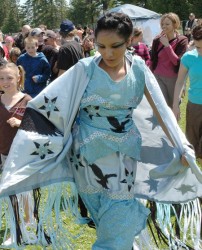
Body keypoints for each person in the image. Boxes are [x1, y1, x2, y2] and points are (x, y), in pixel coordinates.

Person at [0, 12, 201, 250]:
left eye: (115, 46)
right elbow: (46, 104)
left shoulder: (138, 69)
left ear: (129, 42)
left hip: (124, 155)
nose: (108, 53)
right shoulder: (85, 69)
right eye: (101, 46)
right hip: (86, 158)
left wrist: (182, 145)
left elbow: (161, 111)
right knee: (104, 218)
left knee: (119, 213)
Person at [173, 24, 202, 165]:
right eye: (198, 47)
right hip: (194, 106)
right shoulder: (188, 57)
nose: (201, 51)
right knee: (192, 146)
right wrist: (175, 105)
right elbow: (179, 82)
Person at [150, 12, 188, 108]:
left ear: (175, 25)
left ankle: (174, 123)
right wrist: (150, 74)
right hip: (158, 76)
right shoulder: (156, 40)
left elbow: (177, 62)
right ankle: (163, 123)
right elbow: (153, 59)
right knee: (162, 106)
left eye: (167, 24)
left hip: (173, 79)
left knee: (173, 105)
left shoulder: (182, 40)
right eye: (162, 24)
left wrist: (167, 46)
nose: (164, 26)